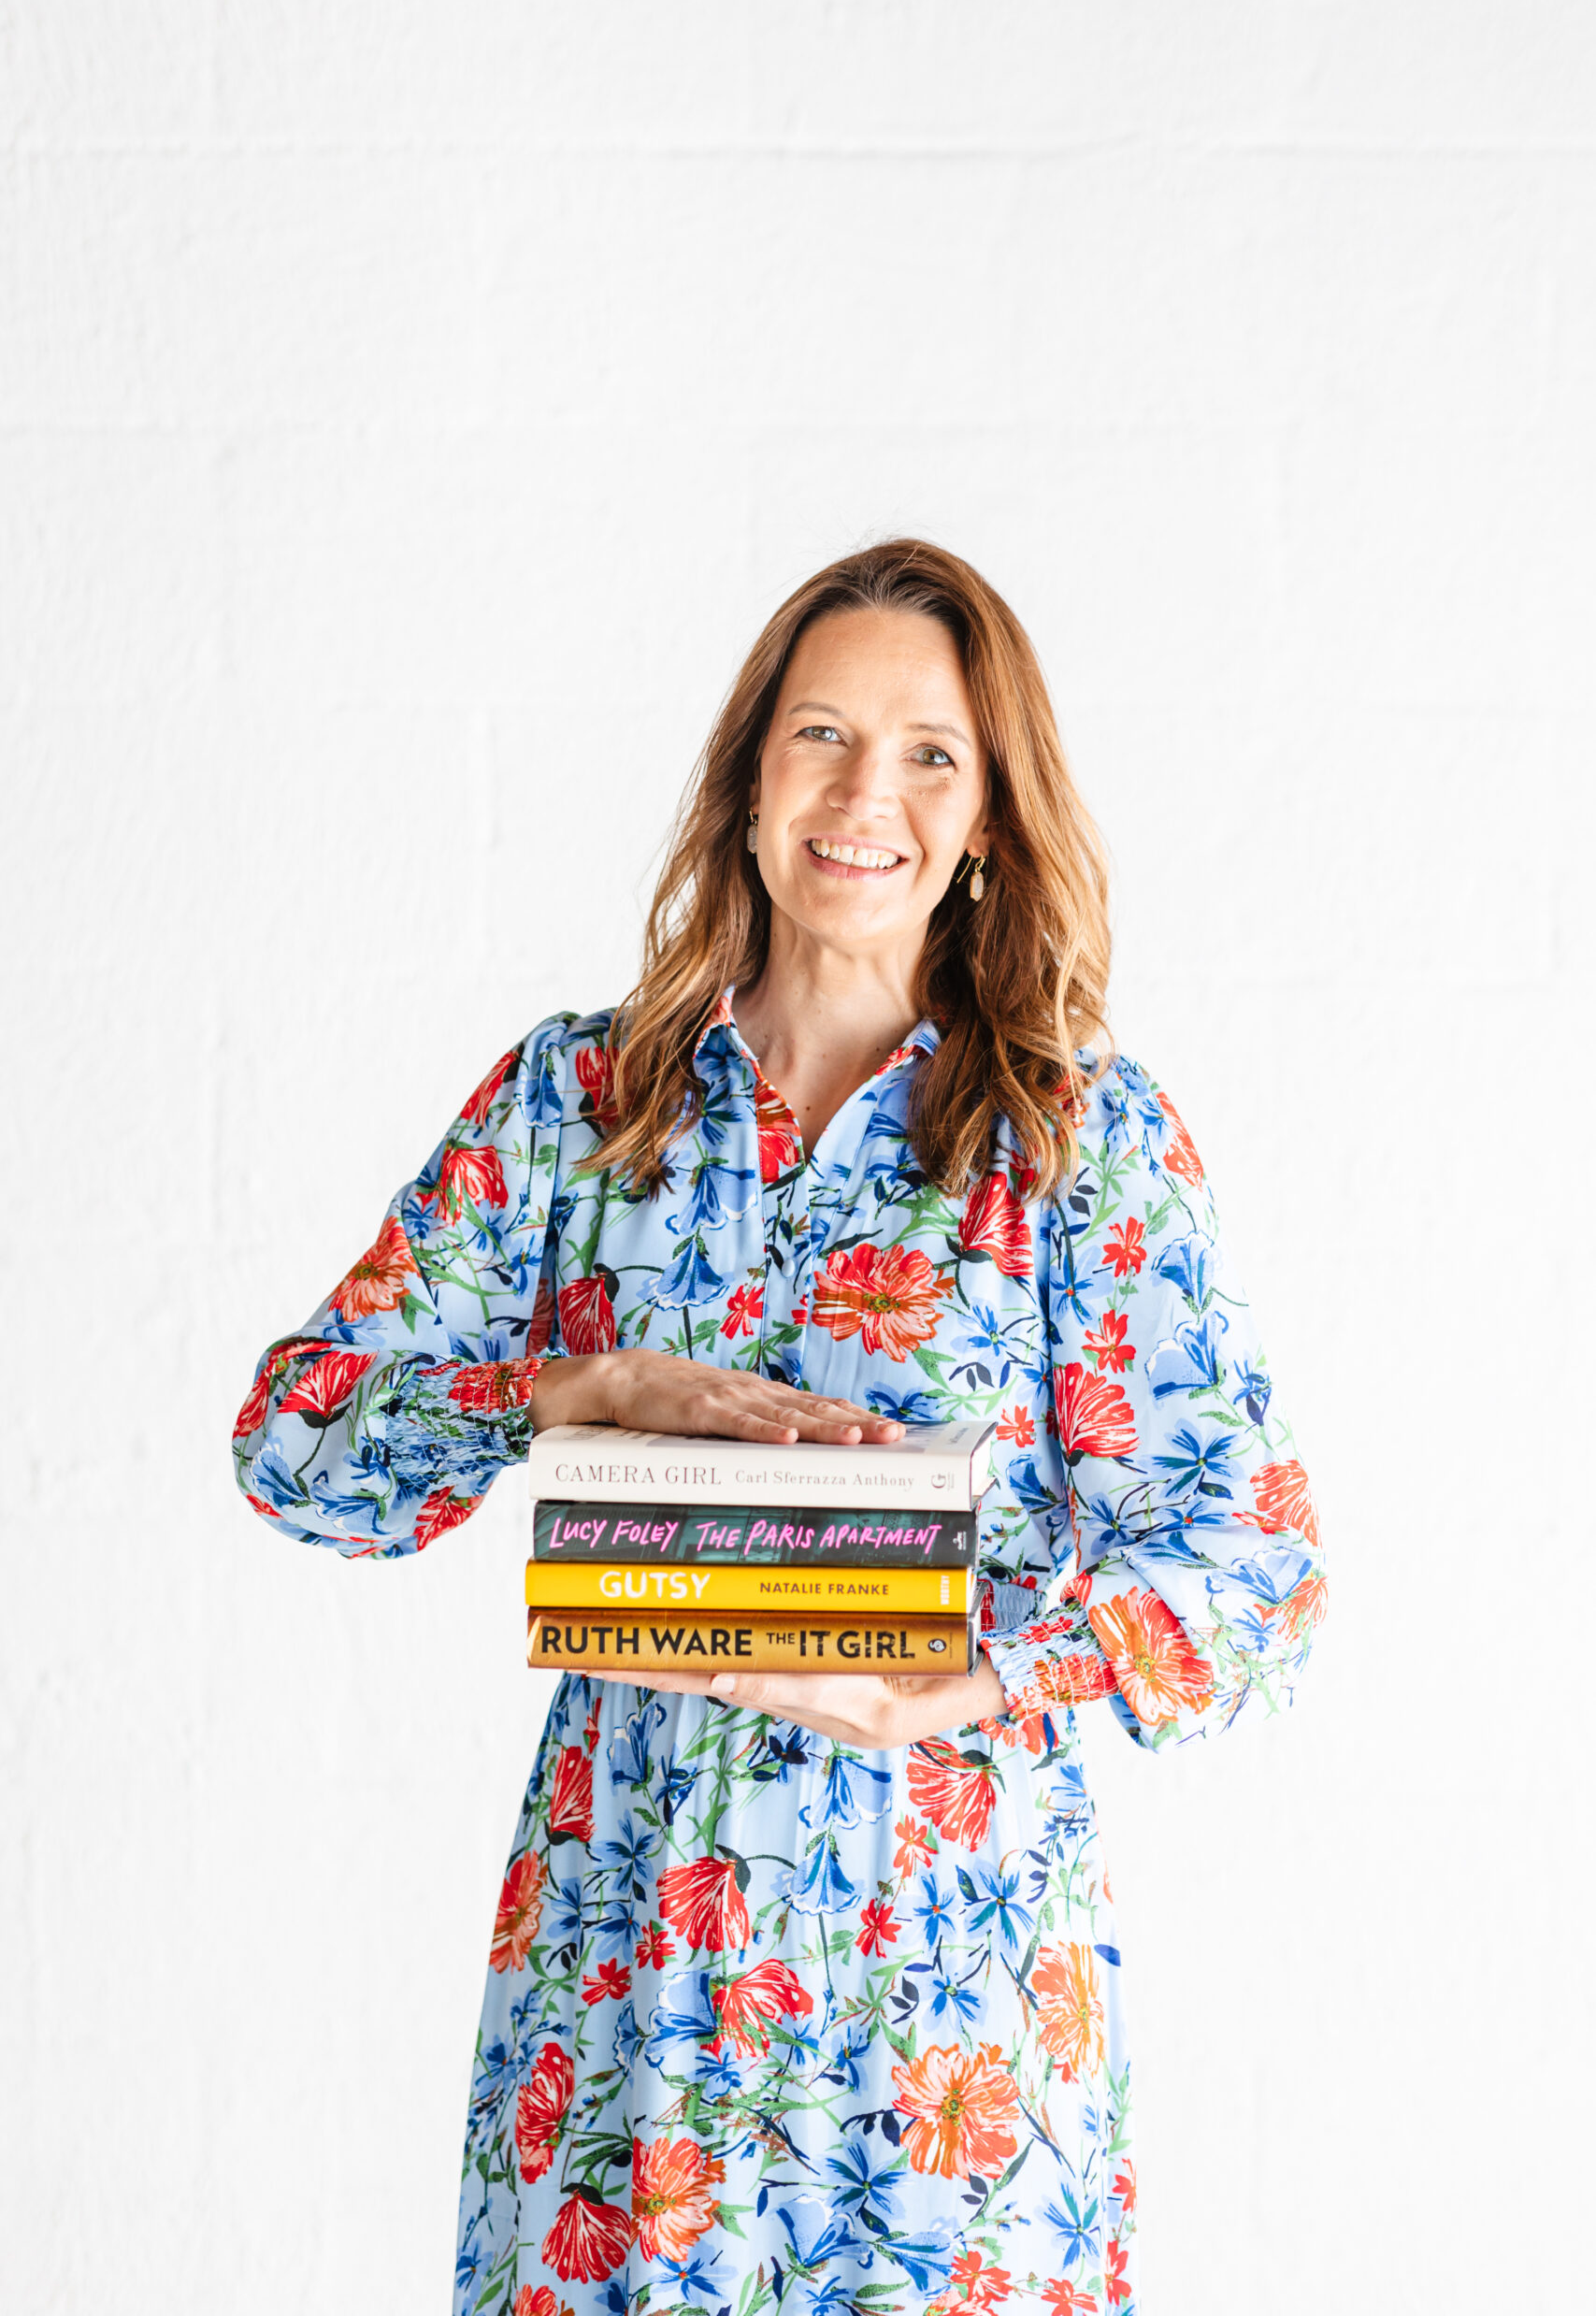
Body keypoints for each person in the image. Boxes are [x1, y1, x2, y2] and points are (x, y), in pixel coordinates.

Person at [234, 539, 1327, 2316]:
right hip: (626, 1986)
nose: (862, 795)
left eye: (927, 754)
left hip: (950, 1996)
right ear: (748, 781)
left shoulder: (1075, 1145)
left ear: (986, 821)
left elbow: (1255, 1579)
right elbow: (296, 1450)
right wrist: (561, 1391)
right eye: (820, 735)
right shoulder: (577, 1106)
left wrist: (968, 1688)